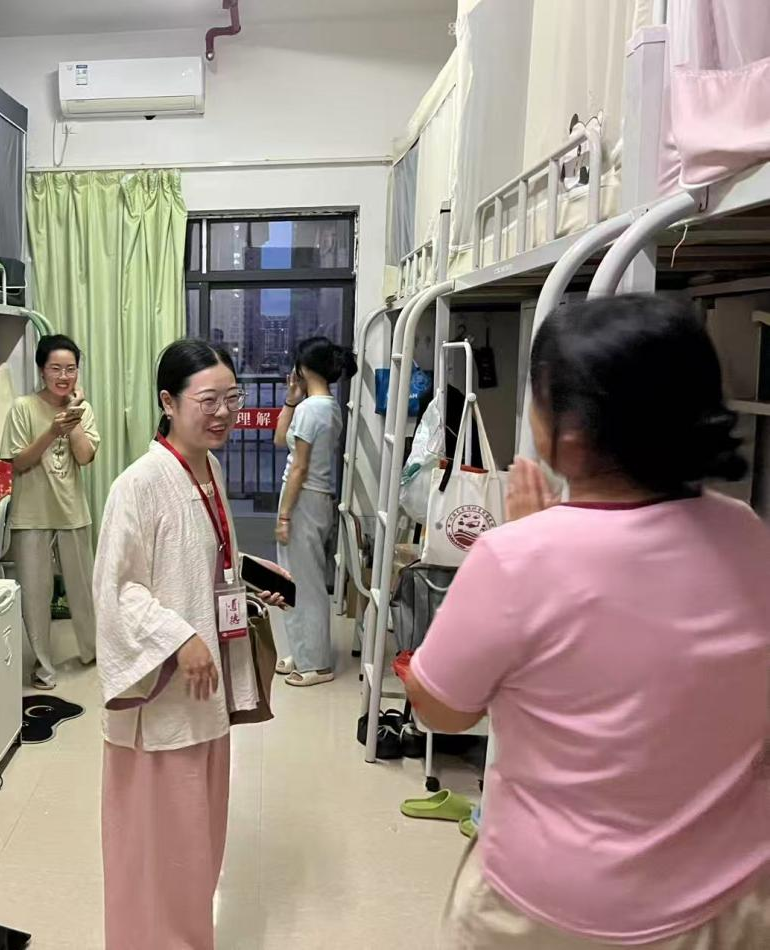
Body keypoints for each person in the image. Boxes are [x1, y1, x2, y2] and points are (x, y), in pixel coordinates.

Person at [404, 295, 769, 948]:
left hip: (549, 907)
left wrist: (530, 542)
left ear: (570, 433)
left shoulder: (516, 557)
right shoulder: (746, 535)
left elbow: (440, 709)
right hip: (725, 899)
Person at [94, 340, 282, 950]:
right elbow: (117, 589)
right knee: (157, 851)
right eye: (209, 400)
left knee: (198, 847)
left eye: (232, 398)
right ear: (168, 403)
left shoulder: (209, 470)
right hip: (164, 703)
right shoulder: (138, 484)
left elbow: (202, 565)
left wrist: (251, 583)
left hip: (207, 693)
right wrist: (180, 638)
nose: (224, 412)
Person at [1, 334, 100, 690]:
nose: (64, 376)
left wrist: (72, 417)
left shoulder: (82, 409)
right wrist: (52, 430)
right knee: (35, 596)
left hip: (72, 512)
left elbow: (85, 457)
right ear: (42, 370)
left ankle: (92, 653)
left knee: (83, 591)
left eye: (70, 369)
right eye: (56, 368)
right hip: (31, 515)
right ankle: (43, 666)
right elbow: (19, 462)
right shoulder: (23, 407)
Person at [273, 336, 353, 687]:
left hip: (303, 498)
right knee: (298, 580)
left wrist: (284, 516)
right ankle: (303, 651)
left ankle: (317, 665)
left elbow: (299, 468)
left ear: (303, 368)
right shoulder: (324, 406)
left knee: (304, 585)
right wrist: (291, 400)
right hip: (314, 498)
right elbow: (280, 440)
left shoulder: (312, 410)